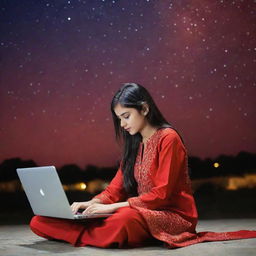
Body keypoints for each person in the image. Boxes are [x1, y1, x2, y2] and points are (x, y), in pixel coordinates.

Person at [30, 83, 256, 248]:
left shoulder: (169, 138)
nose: (122, 124)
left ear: (145, 109)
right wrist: (90, 204)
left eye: (126, 116)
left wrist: (110, 209)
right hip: (139, 212)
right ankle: (88, 232)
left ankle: (79, 234)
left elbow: (162, 195)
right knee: (39, 221)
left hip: (171, 215)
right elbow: (114, 190)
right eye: (119, 118)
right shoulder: (133, 145)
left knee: (121, 221)